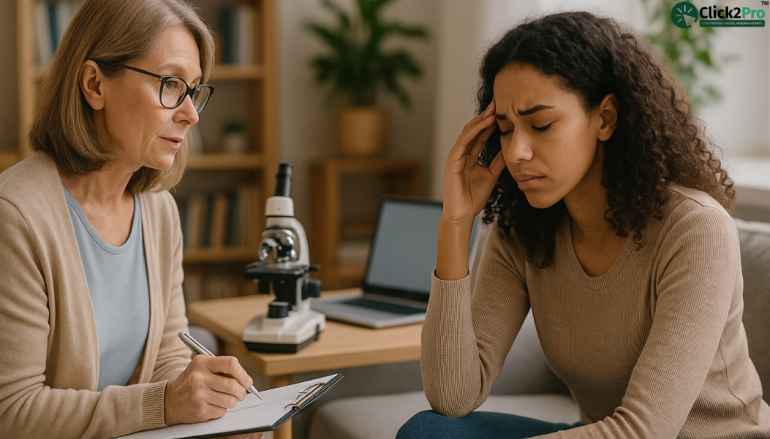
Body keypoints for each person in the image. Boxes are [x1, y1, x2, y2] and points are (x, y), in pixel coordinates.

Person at [398, 11, 769, 439]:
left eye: (541, 125)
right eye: (504, 128)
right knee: (429, 431)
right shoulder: (523, 229)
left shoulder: (696, 229)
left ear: (605, 118)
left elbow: (645, 430)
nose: (517, 151)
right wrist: (455, 224)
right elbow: (452, 397)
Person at [0, 1, 260, 438]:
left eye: (194, 90)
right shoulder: (16, 216)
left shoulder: (158, 210)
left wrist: (207, 405)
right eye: (171, 84)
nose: (191, 113)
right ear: (94, 84)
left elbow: (168, 355)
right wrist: (163, 404)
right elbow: (12, 412)